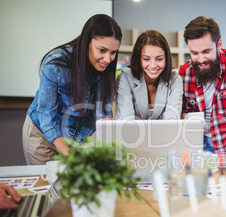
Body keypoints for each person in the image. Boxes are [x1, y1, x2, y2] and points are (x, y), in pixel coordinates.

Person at [23, 14, 122, 165]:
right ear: (86, 42)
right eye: (102, 50)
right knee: (49, 186)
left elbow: (103, 115)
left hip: (74, 140)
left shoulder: (105, 70)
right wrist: (69, 154)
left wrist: (107, 151)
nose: (108, 59)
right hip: (42, 134)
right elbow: (45, 115)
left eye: (113, 52)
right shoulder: (55, 63)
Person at [178, 16, 226, 153]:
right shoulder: (184, 73)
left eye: (206, 51)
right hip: (194, 146)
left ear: (219, 44)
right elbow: (177, 115)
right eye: (194, 53)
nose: (201, 59)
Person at [116, 30, 183, 120]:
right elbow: (126, 120)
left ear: (166, 59)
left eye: (159, 59)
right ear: (139, 59)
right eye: (146, 59)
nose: (153, 66)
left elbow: (171, 120)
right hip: (132, 133)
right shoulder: (125, 78)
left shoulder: (175, 79)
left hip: (165, 134)